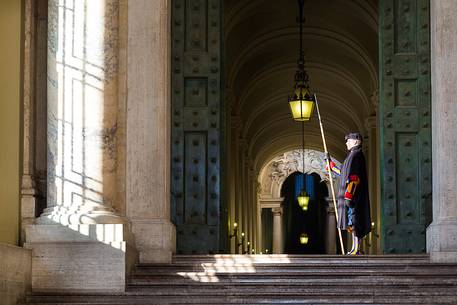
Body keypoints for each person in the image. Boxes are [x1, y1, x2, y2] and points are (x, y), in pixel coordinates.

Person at [327, 132, 371, 255]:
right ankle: (354, 248)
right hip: (349, 195)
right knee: (351, 223)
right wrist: (331, 165)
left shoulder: (357, 155)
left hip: (353, 196)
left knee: (355, 221)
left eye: (348, 141)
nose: (346, 143)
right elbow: (343, 173)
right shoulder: (350, 156)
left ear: (356, 142)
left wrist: (349, 194)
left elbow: (354, 177)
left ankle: (357, 249)